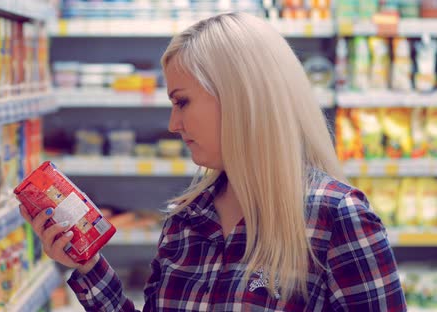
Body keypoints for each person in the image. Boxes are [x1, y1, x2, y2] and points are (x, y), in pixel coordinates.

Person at [20, 12, 406, 311]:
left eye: (182, 101)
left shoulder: (336, 218)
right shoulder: (186, 219)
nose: (174, 124)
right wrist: (87, 265)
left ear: (241, 97)